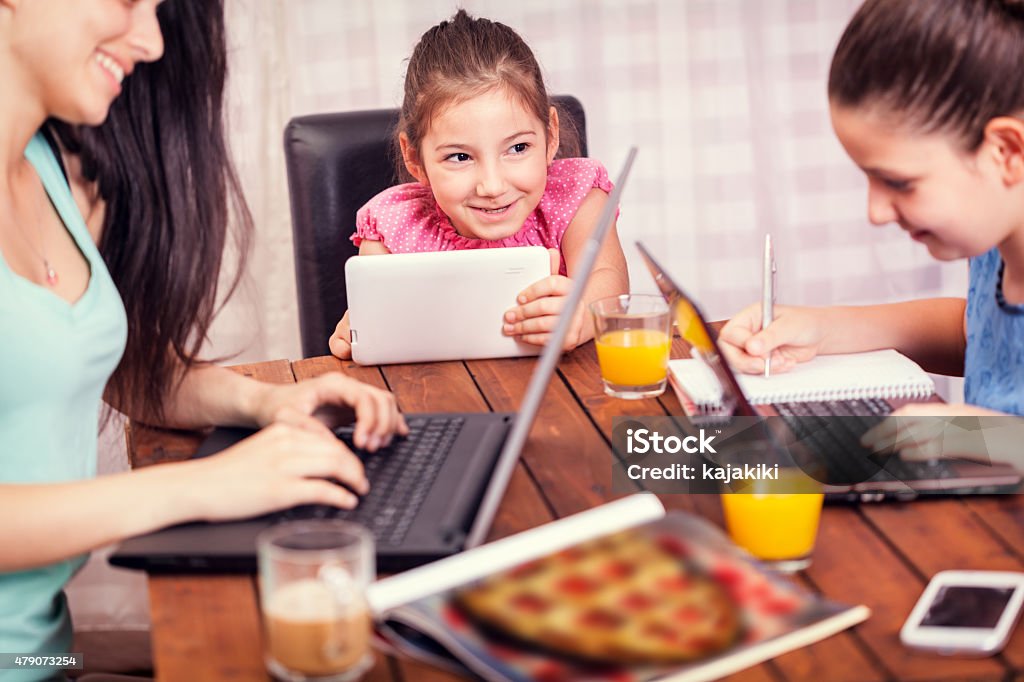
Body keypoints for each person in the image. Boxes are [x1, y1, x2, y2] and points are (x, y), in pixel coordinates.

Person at [0, 0, 406, 676]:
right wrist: (207, 486)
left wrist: (268, 403)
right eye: (130, 1)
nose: (153, 41)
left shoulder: (53, 170)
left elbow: (113, 370)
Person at [719, 0, 1024, 447]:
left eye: (898, 182)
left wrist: (996, 439)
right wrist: (823, 328)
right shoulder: (991, 243)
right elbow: (984, 335)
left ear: (1006, 152)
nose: (875, 212)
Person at [329, 9, 629, 359]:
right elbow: (384, 327)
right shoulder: (392, 228)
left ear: (550, 137)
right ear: (414, 158)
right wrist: (365, 327)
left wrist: (582, 314)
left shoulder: (577, 199)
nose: (492, 185)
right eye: (460, 157)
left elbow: (610, 283)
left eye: (517, 148)